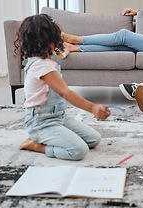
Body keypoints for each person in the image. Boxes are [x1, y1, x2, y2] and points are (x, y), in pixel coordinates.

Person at [14, 14, 111, 161]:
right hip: (41, 123)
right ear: (49, 40)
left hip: (58, 118)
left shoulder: (44, 62)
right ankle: (37, 145)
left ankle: (51, 138)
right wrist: (92, 108)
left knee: (93, 139)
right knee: (78, 150)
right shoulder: (41, 66)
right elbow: (65, 92)